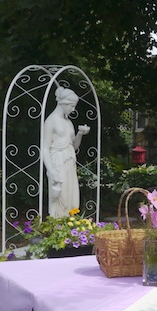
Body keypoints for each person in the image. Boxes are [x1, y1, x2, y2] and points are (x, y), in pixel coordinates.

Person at [41, 86, 90, 218]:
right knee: (60, 195)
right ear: (64, 103)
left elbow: (73, 146)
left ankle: (69, 223)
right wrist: (51, 171)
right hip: (57, 161)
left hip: (70, 159)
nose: (73, 109)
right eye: (72, 106)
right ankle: (58, 224)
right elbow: (44, 148)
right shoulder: (50, 121)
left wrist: (80, 134)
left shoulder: (68, 122)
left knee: (70, 194)